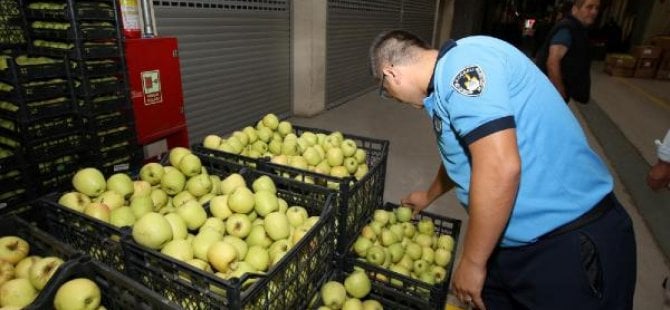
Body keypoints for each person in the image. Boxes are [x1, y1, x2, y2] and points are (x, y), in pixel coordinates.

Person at [369, 30, 636, 309]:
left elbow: (499, 166)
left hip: (568, 244)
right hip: (511, 244)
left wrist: (472, 261)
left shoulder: (464, 67)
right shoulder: (442, 89)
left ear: (391, 74)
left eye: (387, 92)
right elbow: (463, 156)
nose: (396, 100)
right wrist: (429, 195)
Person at [535, 0, 600, 103]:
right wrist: (560, 96)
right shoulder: (568, 29)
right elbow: (552, 63)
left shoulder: (578, 30)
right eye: (589, 7)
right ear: (575, 9)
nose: (594, 12)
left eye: (596, 8)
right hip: (547, 96)